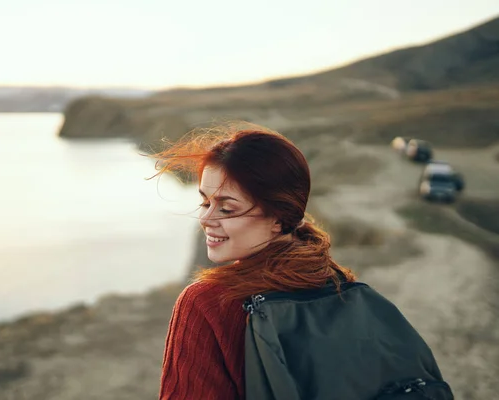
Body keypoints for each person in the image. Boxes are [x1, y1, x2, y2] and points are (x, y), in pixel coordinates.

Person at [149, 122, 447, 400]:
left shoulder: (208, 303)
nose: (205, 218)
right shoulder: (338, 282)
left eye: (226, 209)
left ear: (278, 217)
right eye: (204, 201)